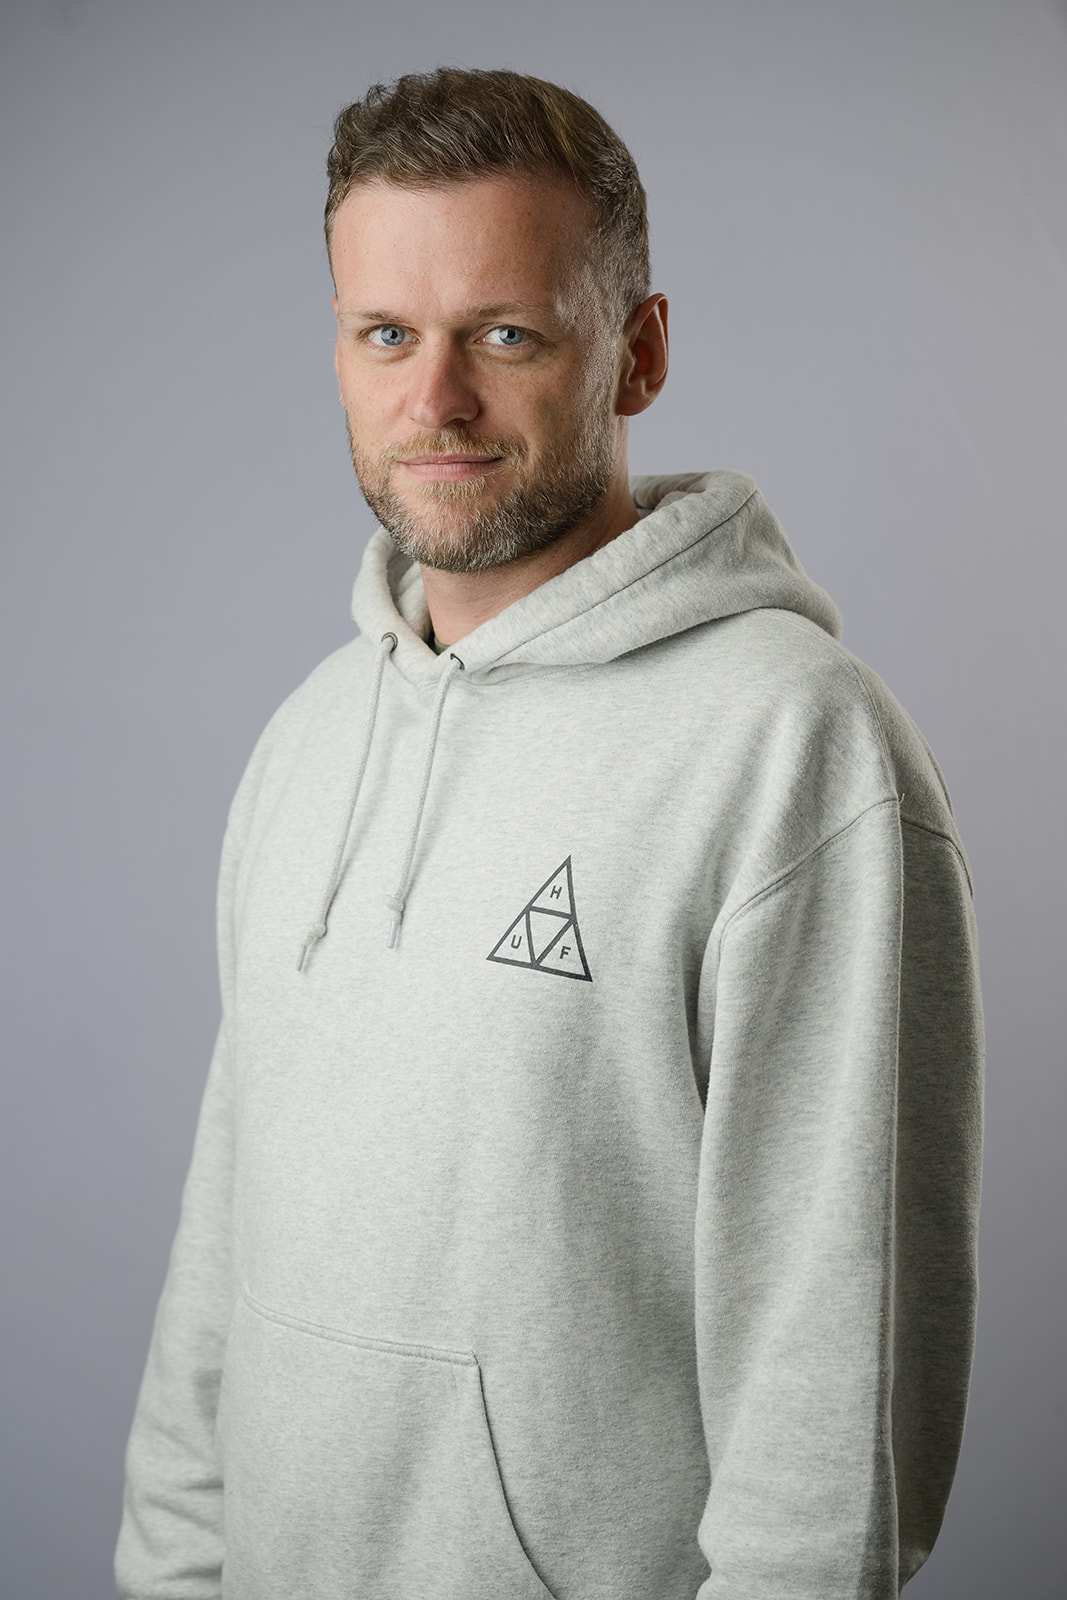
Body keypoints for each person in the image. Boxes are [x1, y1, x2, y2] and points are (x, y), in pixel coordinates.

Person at [115, 67, 983, 1600]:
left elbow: (831, 1411)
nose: (436, 399)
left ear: (638, 352)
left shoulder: (792, 747)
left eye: (505, 334)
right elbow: (219, 1269)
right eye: (387, 334)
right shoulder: (309, 739)